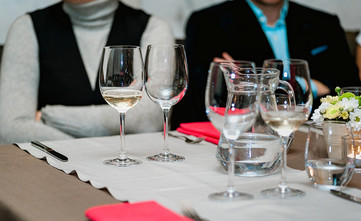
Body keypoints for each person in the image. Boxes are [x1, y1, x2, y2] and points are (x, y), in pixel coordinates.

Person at [0, 0, 174, 144]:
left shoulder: (153, 28)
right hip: (50, 174)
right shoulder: (27, 27)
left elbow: (151, 120)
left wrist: (49, 116)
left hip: (135, 173)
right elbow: (10, 129)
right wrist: (93, 152)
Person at [171, 0, 361, 129]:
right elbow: (210, 93)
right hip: (248, 134)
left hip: (318, 134)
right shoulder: (208, 23)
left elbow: (348, 88)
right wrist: (310, 86)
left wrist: (251, 80)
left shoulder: (324, 23)